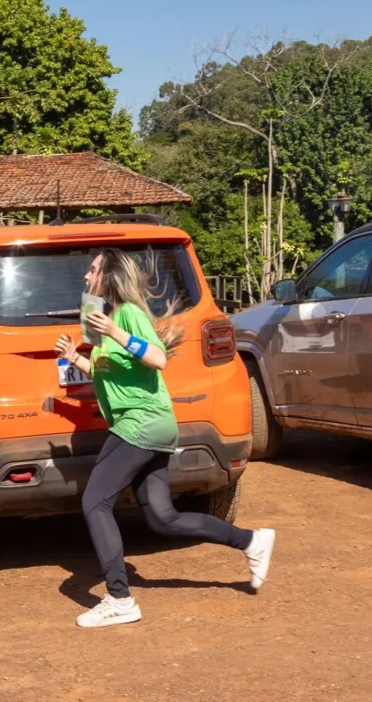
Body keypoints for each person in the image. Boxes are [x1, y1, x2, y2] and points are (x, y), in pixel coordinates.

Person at [55, 249, 275, 628]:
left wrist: (117, 333)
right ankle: (251, 541)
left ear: (109, 276)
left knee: (95, 502)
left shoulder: (127, 314)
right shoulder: (108, 316)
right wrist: (76, 357)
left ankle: (120, 598)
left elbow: (157, 358)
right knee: (162, 518)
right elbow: (110, 372)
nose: (85, 277)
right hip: (150, 425)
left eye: (91, 270)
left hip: (139, 424)